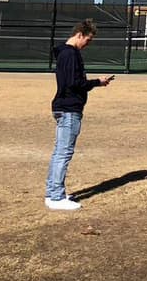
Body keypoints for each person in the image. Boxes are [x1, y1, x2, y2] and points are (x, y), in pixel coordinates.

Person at [44, 19, 113, 211]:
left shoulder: (66, 53)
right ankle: (56, 196)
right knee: (63, 152)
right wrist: (97, 82)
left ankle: (53, 192)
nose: (87, 44)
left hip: (65, 107)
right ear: (79, 35)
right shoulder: (70, 54)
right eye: (88, 40)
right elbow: (74, 83)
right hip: (69, 108)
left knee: (60, 151)